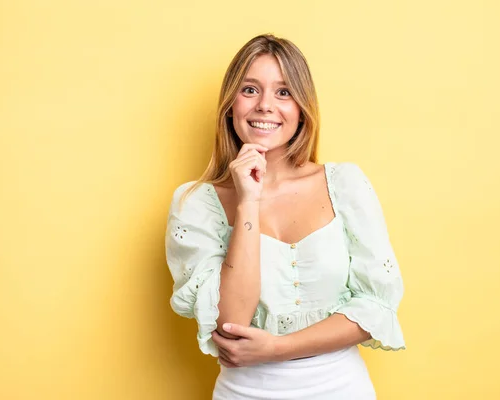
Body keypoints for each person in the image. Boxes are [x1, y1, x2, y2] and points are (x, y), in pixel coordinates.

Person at [165, 34, 406, 400]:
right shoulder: (194, 203)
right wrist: (248, 200)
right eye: (249, 90)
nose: (265, 106)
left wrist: (277, 349)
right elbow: (231, 320)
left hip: (342, 389)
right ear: (230, 105)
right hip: (244, 392)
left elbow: (375, 307)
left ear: (302, 107)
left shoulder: (346, 185)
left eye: (283, 92)